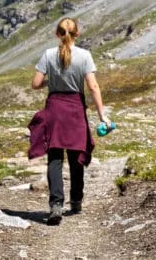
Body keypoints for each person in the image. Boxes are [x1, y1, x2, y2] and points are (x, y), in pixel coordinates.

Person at [27, 17, 110, 225]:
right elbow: (93, 86)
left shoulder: (48, 55)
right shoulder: (85, 55)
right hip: (75, 109)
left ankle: (56, 204)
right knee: (76, 156)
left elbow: (35, 84)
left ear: (57, 34)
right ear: (77, 34)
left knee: (54, 157)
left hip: (55, 108)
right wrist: (102, 116)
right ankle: (76, 200)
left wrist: (52, 80)